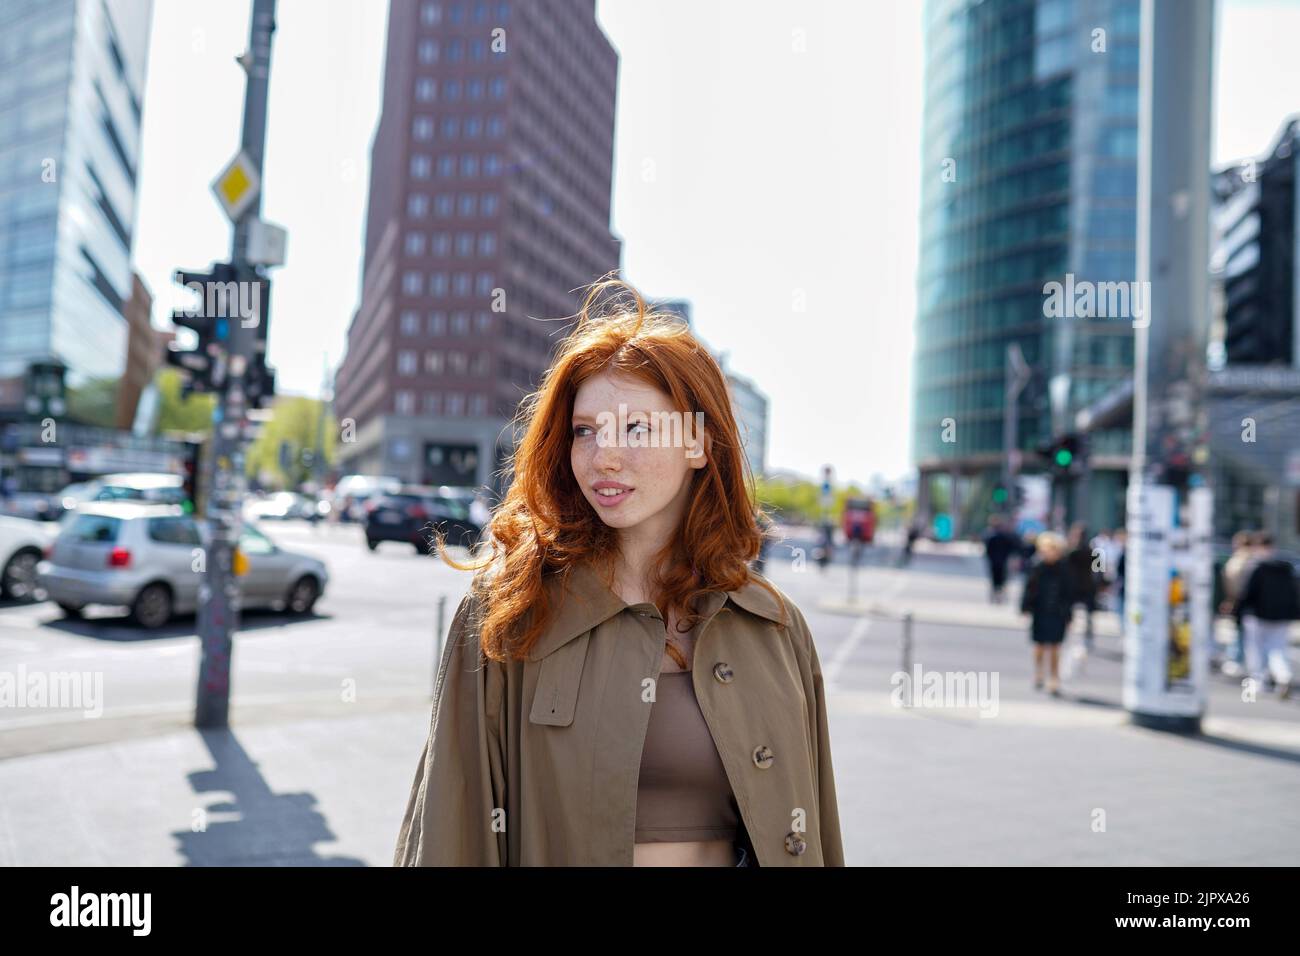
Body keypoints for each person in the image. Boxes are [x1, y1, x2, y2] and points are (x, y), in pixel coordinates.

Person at [393, 276, 844, 867]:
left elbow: (816, 831)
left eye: (637, 428)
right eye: (585, 431)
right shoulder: (510, 609)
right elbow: (454, 826)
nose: (604, 455)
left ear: (700, 445)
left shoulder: (776, 629)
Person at [1231, 532, 1296, 699]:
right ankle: (1283, 676)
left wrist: (1237, 613)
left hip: (1256, 615)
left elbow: (1246, 593)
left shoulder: (1255, 566)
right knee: (1277, 649)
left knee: (1255, 650)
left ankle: (1256, 683)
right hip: (1282, 616)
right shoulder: (1286, 568)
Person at [1020, 531, 1075, 696]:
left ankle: (1054, 677)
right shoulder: (1037, 567)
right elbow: (1028, 589)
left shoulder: (1065, 568)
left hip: (1057, 613)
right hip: (1040, 611)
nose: (1050, 552)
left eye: (1053, 549)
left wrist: (1069, 615)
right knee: (1039, 645)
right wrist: (1025, 607)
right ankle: (1039, 673)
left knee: (1055, 647)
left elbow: (1069, 594)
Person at [1219, 530, 1260, 676]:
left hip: (1242, 601)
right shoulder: (1257, 558)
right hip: (1255, 603)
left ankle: (1236, 661)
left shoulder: (1240, 559)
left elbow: (1232, 580)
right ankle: (1252, 666)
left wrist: (1231, 599)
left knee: (1240, 633)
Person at [1065, 523, 1099, 649]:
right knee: (1070, 612)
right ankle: (1075, 636)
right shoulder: (1072, 550)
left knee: (1088, 615)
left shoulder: (1092, 550)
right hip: (1076, 586)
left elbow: (1099, 569)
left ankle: (1087, 638)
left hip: (1086, 586)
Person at [982, 514, 1019, 604]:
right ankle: (998, 594)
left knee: (997, 578)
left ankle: (997, 594)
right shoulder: (1002, 536)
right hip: (1000, 561)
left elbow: (987, 549)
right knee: (1000, 578)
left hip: (997, 561)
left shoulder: (993, 536)